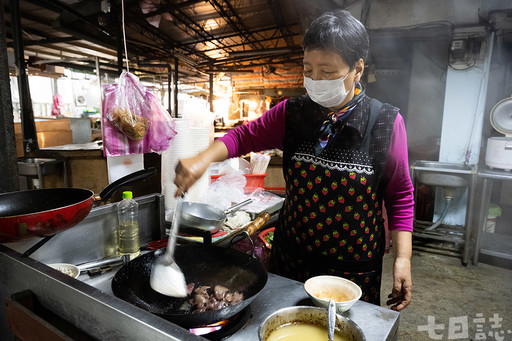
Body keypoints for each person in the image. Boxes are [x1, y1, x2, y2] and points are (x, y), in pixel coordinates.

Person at [174, 9, 414, 311]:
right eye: (308, 69)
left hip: (354, 270)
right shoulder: (292, 113)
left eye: (327, 72)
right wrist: (201, 159)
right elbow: (242, 137)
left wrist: (403, 259)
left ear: (358, 69)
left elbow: (400, 194)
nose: (315, 80)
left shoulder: (386, 123)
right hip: (292, 261)